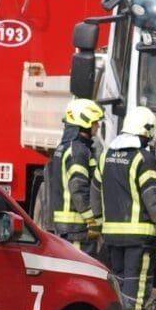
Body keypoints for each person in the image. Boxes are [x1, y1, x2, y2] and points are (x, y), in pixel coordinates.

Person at [92, 106, 156, 310]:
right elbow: (152, 198)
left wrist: (98, 223)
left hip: (111, 236)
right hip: (139, 237)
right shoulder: (143, 158)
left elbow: (95, 192)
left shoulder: (106, 156)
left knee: (117, 282)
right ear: (146, 132)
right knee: (136, 286)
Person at [47, 98, 105, 257]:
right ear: (84, 122)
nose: (97, 126)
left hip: (67, 228)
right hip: (77, 228)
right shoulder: (78, 151)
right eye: (95, 122)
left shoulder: (65, 147)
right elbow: (78, 189)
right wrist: (91, 220)